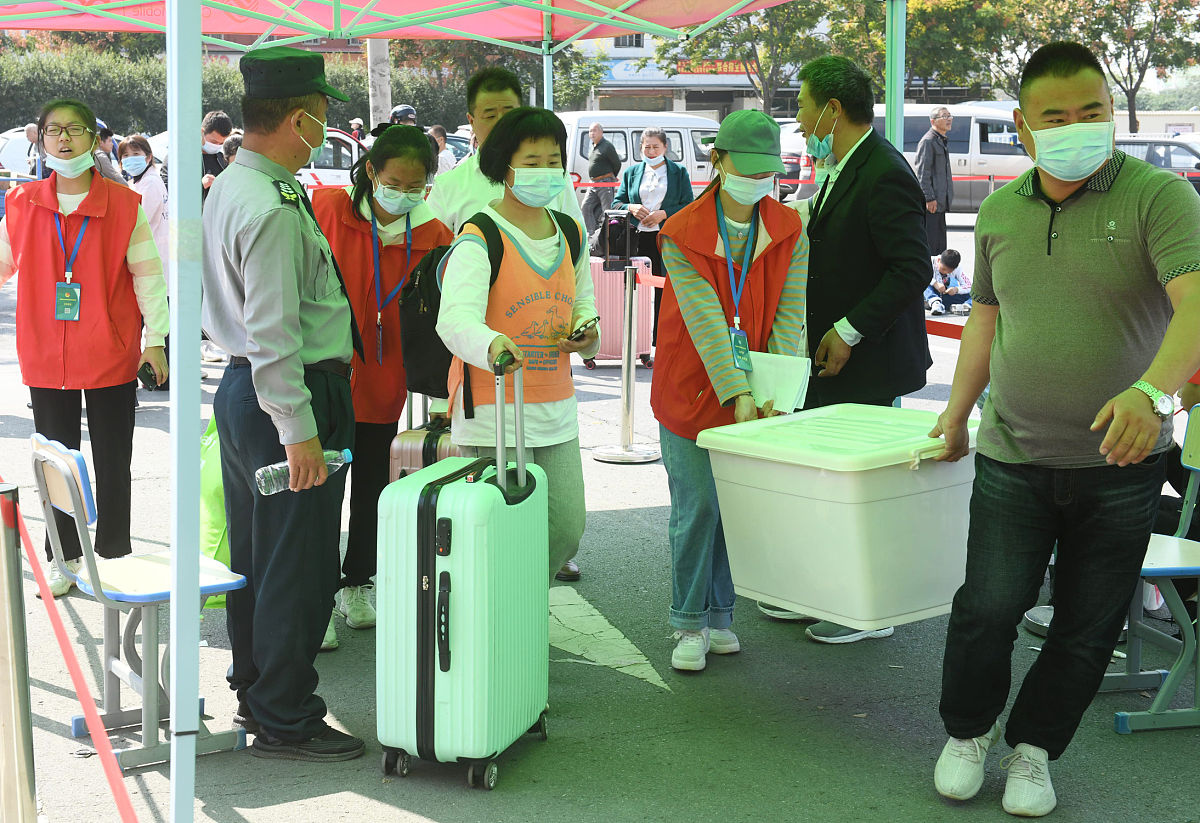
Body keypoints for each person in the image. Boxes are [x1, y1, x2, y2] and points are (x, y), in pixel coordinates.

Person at [928, 42, 1200, 818]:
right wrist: (954, 414)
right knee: (988, 605)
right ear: (1023, 125)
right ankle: (967, 731)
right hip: (1012, 453)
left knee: (1088, 624)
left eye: (1093, 111)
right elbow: (984, 318)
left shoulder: (1160, 197)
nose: (1078, 126)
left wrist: (1153, 390)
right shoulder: (1003, 210)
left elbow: (1197, 304)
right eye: (1058, 116)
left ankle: (1035, 749)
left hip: (1123, 462)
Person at [201, 46, 366, 762]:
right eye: (323, 115)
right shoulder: (268, 204)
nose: (326, 128)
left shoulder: (241, 183)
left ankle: (258, 688)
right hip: (287, 394)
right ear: (299, 117)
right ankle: (285, 713)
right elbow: (273, 333)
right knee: (296, 563)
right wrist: (299, 428)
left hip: (250, 392)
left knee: (260, 554)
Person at [760, 55, 932, 643]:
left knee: (862, 488)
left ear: (833, 109)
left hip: (869, 360)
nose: (801, 119)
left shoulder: (883, 171)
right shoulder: (839, 166)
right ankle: (823, 593)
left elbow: (912, 269)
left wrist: (849, 329)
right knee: (827, 483)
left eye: (805, 107)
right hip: (833, 359)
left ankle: (869, 609)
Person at [651, 109, 807, 672]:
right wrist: (737, 389)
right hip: (692, 388)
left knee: (734, 508)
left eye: (769, 170)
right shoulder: (681, 231)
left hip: (757, 389)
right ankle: (687, 622)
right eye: (748, 168)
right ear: (717, 161)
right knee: (697, 507)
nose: (759, 180)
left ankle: (720, 615)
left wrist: (776, 390)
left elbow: (791, 314)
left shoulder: (790, 227)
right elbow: (707, 321)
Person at [0, 98, 168, 597]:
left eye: (75, 130)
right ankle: (64, 555)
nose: (64, 139)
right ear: (41, 140)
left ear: (94, 141)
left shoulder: (123, 205)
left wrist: (154, 341)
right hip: (44, 354)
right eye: (54, 130)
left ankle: (114, 552)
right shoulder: (22, 204)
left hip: (111, 350)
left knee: (114, 457)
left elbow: (149, 278)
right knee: (55, 460)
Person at [436, 106, 599, 584]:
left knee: (565, 527)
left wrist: (588, 334)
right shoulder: (479, 234)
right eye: (532, 161)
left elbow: (583, 303)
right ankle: (494, 628)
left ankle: (518, 605)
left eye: (554, 160)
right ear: (503, 166)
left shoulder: (570, 231)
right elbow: (455, 321)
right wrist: (491, 345)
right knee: (489, 533)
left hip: (555, 408)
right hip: (492, 412)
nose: (546, 172)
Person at [312, 125, 453, 651]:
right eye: (395, 182)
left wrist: (441, 393)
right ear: (371, 172)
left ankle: (356, 582)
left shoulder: (435, 234)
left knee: (372, 488)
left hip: (384, 380)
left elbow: (442, 319)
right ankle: (318, 594)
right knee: (320, 491)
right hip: (324, 377)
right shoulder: (324, 210)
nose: (405, 194)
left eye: (417, 186)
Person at [427, 67, 584, 236]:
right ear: (471, 121)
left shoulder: (551, 176)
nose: (502, 124)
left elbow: (576, 238)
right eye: (490, 116)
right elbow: (433, 253)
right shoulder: (448, 186)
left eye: (510, 114)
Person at [611, 127, 694, 344]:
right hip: (636, 237)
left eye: (655, 146)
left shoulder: (678, 172)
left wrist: (663, 214)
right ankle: (634, 340)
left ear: (665, 147)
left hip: (665, 238)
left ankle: (660, 339)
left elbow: (689, 205)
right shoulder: (632, 172)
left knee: (663, 288)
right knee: (634, 289)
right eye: (646, 146)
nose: (651, 151)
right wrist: (632, 208)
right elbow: (616, 203)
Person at [117, 135, 169, 265]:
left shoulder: (150, 183)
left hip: (151, 253)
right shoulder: (137, 182)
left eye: (136, 153)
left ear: (148, 157)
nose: (130, 159)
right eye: (125, 155)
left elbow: (139, 222)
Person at [163, 110, 233, 199]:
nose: (217, 146)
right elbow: (165, 191)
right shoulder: (177, 157)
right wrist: (199, 186)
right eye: (214, 141)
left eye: (221, 143)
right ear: (201, 132)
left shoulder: (223, 160)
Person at [915, 106, 954, 256]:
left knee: (940, 246)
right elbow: (922, 173)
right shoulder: (928, 141)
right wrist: (929, 198)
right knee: (931, 246)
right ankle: (930, 278)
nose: (949, 119)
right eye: (944, 116)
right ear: (933, 121)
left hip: (940, 203)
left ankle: (940, 276)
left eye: (950, 116)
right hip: (932, 204)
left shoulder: (941, 140)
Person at [580, 122, 622, 238]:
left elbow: (616, 163)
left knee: (607, 210)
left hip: (605, 182)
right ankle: (592, 235)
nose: (592, 133)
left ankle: (607, 236)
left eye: (594, 131)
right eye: (590, 131)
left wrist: (611, 177)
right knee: (586, 207)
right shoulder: (594, 146)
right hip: (593, 183)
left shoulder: (607, 146)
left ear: (601, 132)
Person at [925, 248, 971, 316]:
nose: (945, 272)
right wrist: (935, 283)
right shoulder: (928, 261)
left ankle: (966, 306)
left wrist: (956, 289)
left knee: (975, 293)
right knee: (923, 283)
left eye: (949, 271)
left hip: (945, 296)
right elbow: (917, 274)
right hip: (929, 294)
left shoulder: (958, 269)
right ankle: (935, 303)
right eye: (943, 269)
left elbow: (969, 285)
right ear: (938, 260)